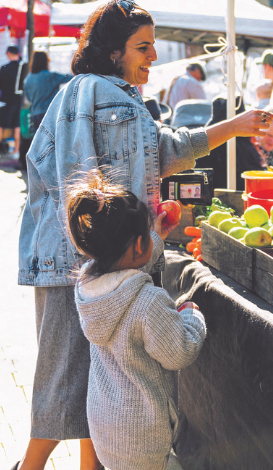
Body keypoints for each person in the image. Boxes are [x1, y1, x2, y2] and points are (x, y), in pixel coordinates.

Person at [16, 0, 273, 470]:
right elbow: (80, 180)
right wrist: (117, 249)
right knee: (63, 382)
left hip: (102, 261)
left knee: (98, 380)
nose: (153, 56)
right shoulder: (86, 91)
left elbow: (165, 149)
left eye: (153, 46)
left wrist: (235, 127)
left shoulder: (121, 96)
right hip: (81, 263)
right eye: (143, 47)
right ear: (114, 51)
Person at [66, 168, 205, 470]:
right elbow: (179, 351)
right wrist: (193, 317)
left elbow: (126, 271)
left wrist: (154, 235)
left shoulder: (89, 288)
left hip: (105, 430)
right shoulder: (148, 301)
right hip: (144, 436)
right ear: (139, 246)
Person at [20, 51, 73, 170]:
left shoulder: (28, 79)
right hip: (50, 114)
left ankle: (39, 168)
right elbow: (70, 78)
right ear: (45, 61)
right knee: (53, 144)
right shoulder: (50, 76)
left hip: (35, 114)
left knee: (39, 143)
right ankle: (51, 169)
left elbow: (28, 97)